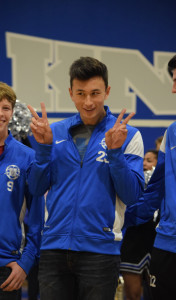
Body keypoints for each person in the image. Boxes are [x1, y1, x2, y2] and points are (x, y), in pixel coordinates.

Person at [27, 56, 145, 300]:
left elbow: (132, 195)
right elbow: (36, 189)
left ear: (107, 91)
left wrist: (115, 153)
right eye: (81, 93)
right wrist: (43, 150)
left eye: (95, 93)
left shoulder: (128, 135)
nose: (88, 101)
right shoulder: (54, 132)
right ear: (71, 93)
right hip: (53, 249)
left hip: (100, 251)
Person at [0, 81, 42, 300]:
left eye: (5, 108)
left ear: (12, 112)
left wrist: (25, 263)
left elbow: (36, 217)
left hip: (7, 264)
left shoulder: (28, 157)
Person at [124, 54, 176, 300]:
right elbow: (156, 188)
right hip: (167, 244)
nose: (173, 89)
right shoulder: (172, 133)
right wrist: (124, 215)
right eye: (173, 81)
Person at [120, 150, 158, 300]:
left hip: (157, 242)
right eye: (143, 160)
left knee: (156, 293)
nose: (144, 163)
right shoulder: (134, 180)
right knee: (132, 294)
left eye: (149, 160)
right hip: (134, 240)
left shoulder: (165, 181)